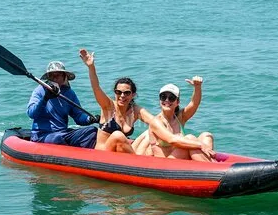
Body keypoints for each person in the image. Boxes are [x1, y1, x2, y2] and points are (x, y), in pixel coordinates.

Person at [78, 48, 214, 156]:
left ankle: (160, 159)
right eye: (118, 92)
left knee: (149, 134)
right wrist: (91, 67)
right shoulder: (108, 106)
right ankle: (140, 166)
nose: (122, 96)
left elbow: (155, 122)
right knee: (118, 135)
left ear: (133, 95)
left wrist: (172, 126)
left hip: (121, 152)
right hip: (103, 154)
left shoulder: (135, 110)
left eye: (126, 93)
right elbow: (96, 88)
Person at [139, 80, 216, 162]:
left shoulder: (180, 117)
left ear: (177, 102)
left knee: (206, 136)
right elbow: (171, 139)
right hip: (165, 162)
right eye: (163, 97)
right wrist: (200, 145)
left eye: (171, 98)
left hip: (180, 159)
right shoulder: (156, 122)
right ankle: (212, 166)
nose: (167, 100)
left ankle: (210, 163)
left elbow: (194, 103)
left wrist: (197, 87)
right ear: (160, 100)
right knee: (190, 138)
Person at [27, 60, 99, 148]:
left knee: (92, 131)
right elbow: (32, 113)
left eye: (58, 75)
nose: (55, 78)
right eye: (52, 75)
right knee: (58, 138)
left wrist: (90, 119)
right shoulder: (39, 91)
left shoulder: (69, 93)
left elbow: (78, 116)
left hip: (62, 133)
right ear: (48, 77)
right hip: (42, 135)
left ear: (64, 76)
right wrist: (45, 99)